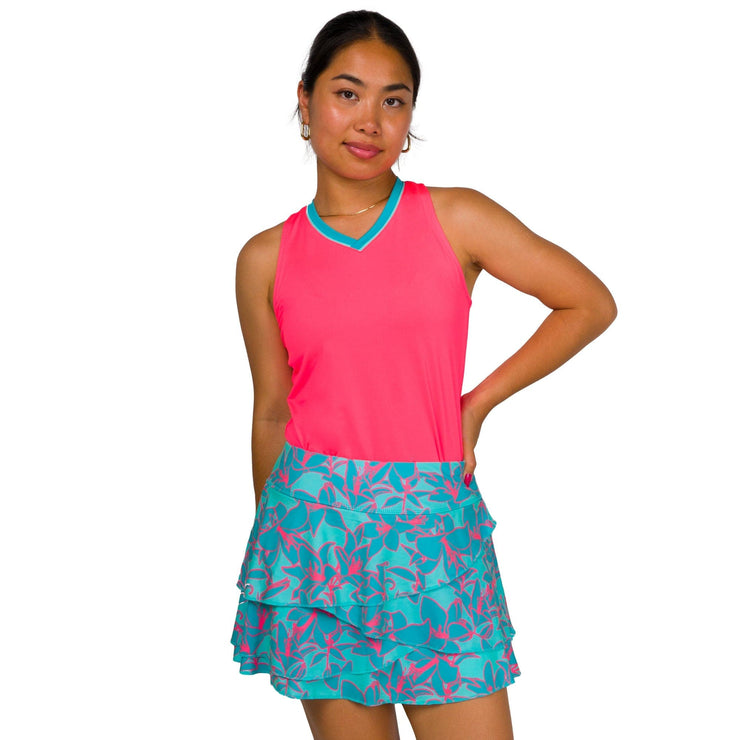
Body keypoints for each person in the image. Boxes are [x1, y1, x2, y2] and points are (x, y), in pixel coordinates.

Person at [230, 10, 617, 740]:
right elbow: (272, 410)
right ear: (306, 100)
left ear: (411, 115)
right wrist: (276, 554)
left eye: (394, 99)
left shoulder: (456, 217)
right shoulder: (265, 257)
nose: (369, 120)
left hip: (432, 530)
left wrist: (475, 406)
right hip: (312, 531)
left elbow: (588, 303)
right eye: (347, 93)